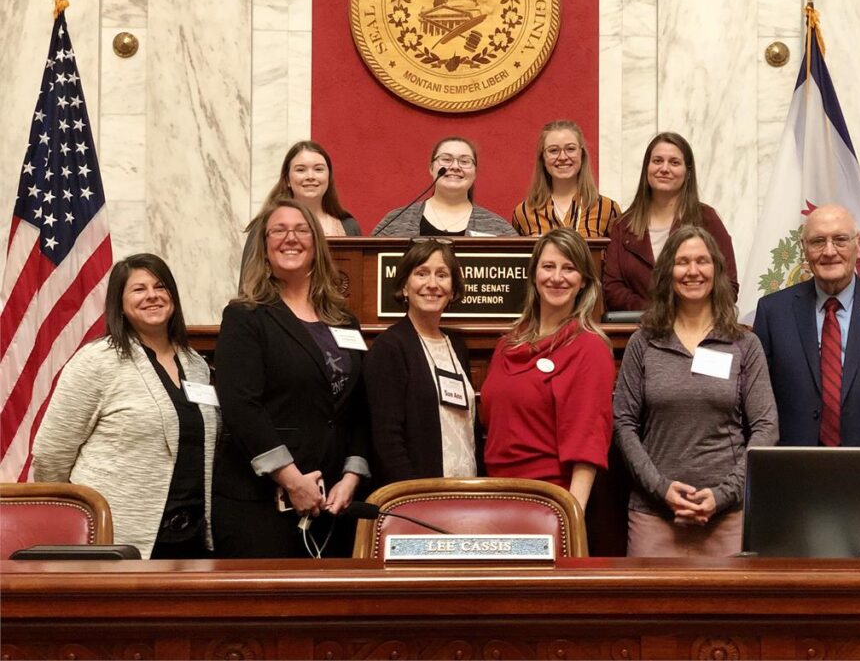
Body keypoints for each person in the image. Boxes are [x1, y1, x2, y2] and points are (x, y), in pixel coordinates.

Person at [33, 254, 220, 559]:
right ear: (119, 304)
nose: (152, 296)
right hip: (119, 539)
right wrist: (72, 519)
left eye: (160, 286)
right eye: (138, 289)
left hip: (193, 538)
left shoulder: (196, 364)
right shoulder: (96, 361)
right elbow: (51, 453)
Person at [213, 199, 370, 557]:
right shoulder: (245, 316)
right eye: (278, 231)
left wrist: (351, 478)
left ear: (316, 244)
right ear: (264, 248)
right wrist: (291, 479)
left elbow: (358, 405)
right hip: (261, 503)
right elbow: (241, 406)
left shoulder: (344, 321)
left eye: (301, 230)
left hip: (333, 502)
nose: (290, 238)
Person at [613, 226, 778, 557]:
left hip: (728, 518)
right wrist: (661, 490)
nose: (692, 271)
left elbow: (766, 427)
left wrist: (723, 494)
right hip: (654, 516)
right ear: (667, 273)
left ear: (716, 270)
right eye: (682, 261)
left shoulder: (744, 344)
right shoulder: (643, 342)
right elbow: (623, 424)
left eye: (702, 261)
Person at [752, 204, 860, 447]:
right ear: (803, 248)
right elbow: (757, 407)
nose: (829, 251)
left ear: (858, 245)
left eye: (840, 240)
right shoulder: (773, 312)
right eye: (817, 241)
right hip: (792, 472)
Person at [480, 229, 614, 511]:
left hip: (550, 503)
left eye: (569, 269)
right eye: (548, 266)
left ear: (583, 283)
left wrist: (570, 519)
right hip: (495, 497)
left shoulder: (590, 348)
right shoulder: (507, 343)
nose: (556, 277)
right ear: (533, 275)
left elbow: (588, 447)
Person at [364, 239, 478, 485]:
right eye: (422, 273)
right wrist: (414, 497)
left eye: (442, 275)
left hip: (465, 493)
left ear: (453, 289)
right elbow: (386, 441)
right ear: (405, 286)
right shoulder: (390, 347)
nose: (432, 284)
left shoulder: (456, 345)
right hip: (419, 499)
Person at [603, 132, 738, 311]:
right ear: (647, 168)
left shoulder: (706, 219)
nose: (664, 168)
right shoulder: (623, 225)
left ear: (687, 172)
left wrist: (685, 313)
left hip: (698, 329)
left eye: (674, 162)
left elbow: (728, 285)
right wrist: (656, 313)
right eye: (658, 161)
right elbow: (612, 288)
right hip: (638, 330)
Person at [239, 141, 360, 284]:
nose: (310, 176)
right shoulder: (264, 226)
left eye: (318, 169)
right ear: (287, 180)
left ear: (328, 178)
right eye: (301, 170)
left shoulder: (349, 226)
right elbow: (248, 286)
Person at [372, 136, 517, 237]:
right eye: (446, 159)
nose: (455, 166)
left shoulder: (499, 228)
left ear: (475, 172)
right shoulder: (396, 221)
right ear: (431, 168)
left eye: (465, 161)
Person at [511, 120, 621, 237]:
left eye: (570, 149)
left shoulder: (607, 209)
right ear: (543, 158)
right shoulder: (523, 213)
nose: (563, 157)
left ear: (582, 154)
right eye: (553, 150)